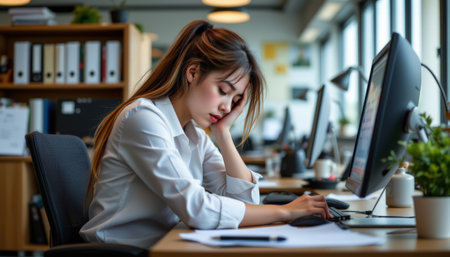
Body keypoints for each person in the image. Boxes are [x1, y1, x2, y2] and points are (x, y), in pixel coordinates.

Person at [80, 20, 331, 249]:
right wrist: (285, 212)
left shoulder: (195, 134)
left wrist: (223, 133)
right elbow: (197, 209)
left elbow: (243, 200)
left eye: (234, 100)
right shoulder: (143, 119)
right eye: (223, 90)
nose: (227, 107)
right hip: (121, 250)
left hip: (165, 245)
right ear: (192, 72)